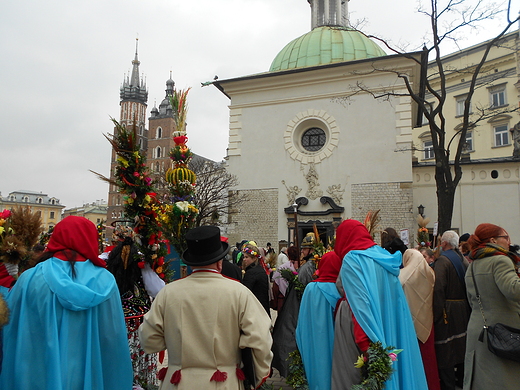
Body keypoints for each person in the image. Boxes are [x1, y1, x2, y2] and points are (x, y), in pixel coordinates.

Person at [0, 216, 133, 390]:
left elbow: (10, 325)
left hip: (41, 375)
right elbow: (113, 338)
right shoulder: (105, 281)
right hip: (90, 376)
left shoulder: (30, 278)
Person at [138, 225, 273, 390]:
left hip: (177, 381)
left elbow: (149, 340)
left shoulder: (168, 293)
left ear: (191, 262)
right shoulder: (238, 292)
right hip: (224, 381)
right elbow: (260, 339)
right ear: (220, 262)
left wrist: (175, 341)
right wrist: (257, 377)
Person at [334, 219, 428, 390]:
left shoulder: (352, 260)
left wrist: (368, 347)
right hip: (391, 327)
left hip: (371, 335)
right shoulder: (383, 256)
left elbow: (360, 308)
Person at [463, 223, 520, 390]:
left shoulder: (473, 265)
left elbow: (471, 299)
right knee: (503, 380)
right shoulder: (501, 260)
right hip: (503, 331)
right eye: (505, 237)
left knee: (482, 380)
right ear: (493, 240)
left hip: (478, 329)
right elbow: (514, 290)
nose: (509, 241)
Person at [296, 251, 342, 390]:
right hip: (339, 345)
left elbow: (302, 325)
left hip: (315, 345)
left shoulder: (311, 289)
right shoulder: (342, 289)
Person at [433, 230, 470, 390]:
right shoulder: (462, 259)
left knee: (445, 349)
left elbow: (438, 289)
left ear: (444, 243)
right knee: (461, 346)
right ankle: (462, 381)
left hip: (447, 311)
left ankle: (448, 385)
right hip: (463, 309)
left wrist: (435, 315)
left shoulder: (443, 261)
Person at [400, 249, 441, 390]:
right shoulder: (430, 273)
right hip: (428, 321)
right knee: (429, 360)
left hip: (410, 325)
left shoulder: (403, 275)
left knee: (416, 362)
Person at [242, 242, 271, 316]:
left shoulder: (251, 273)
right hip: (262, 309)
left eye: (246, 257)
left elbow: (245, 293)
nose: (244, 259)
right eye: (244, 257)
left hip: (255, 311)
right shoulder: (260, 270)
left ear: (254, 258)